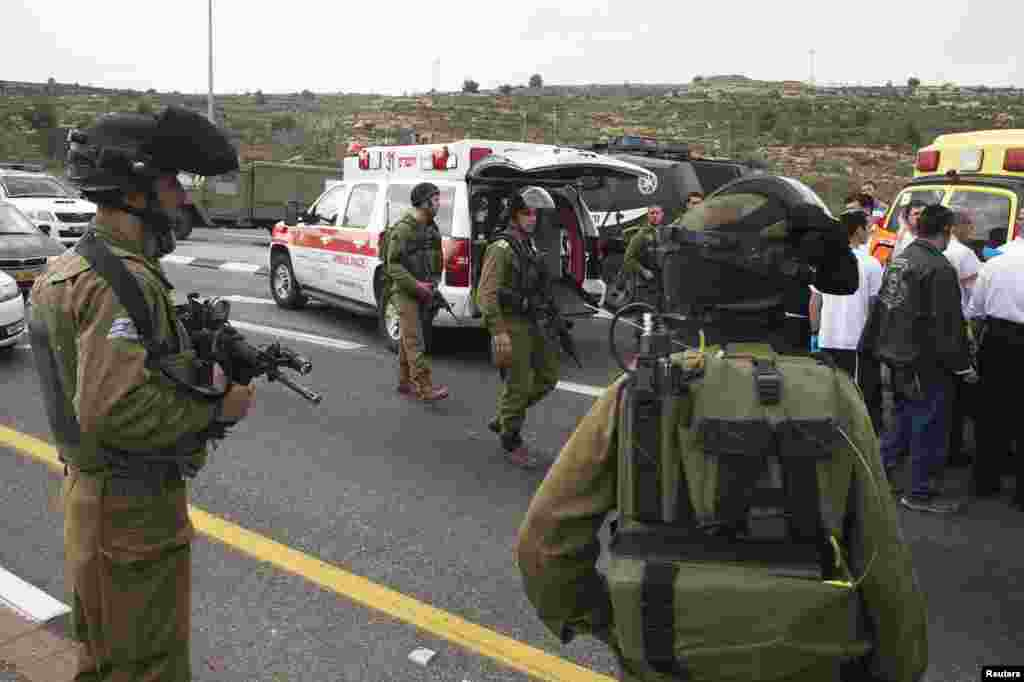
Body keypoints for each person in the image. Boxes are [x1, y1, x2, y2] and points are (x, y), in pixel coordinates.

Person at [515, 182, 928, 682]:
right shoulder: (836, 397)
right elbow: (884, 568)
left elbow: (544, 545)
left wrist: (610, 626)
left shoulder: (636, 394)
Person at [28, 106, 257, 681]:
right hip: (128, 514)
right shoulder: (116, 281)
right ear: (135, 189)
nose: (181, 196)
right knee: (144, 669)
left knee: (108, 662)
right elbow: (116, 411)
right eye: (171, 182)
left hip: (106, 501)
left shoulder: (81, 265)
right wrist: (218, 406)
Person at [860, 204, 978, 514]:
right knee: (929, 425)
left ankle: (876, 477)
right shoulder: (938, 268)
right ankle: (920, 492)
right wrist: (962, 365)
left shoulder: (902, 259)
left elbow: (883, 307)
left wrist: (874, 346)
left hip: (895, 354)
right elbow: (946, 323)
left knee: (902, 420)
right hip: (924, 360)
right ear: (947, 231)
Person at [478, 186, 561, 469]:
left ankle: (504, 417)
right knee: (519, 385)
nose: (532, 218)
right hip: (511, 323)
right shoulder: (501, 247)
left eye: (535, 213)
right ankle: (510, 438)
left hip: (532, 320)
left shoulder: (527, 243)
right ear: (514, 215)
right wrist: (499, 331)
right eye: (526, 213)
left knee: (548, 377)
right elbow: (486, 294)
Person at [810, 208, 884, 434]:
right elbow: (874, 305)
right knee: (859, 392)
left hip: (827, 338)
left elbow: (815, 300)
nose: (871, 230)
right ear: (857, 230)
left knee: (831, 390)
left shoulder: (823, 260)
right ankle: (863, 433)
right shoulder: (871, 263)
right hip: (857, 340)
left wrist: (815, 333)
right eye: (867, 226)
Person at [965, 235, 1024, 511]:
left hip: (997, 339)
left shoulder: (994, 264)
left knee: (991, 413)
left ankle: (985, 481)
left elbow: (975, 309)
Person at [386, 181, 449, 402]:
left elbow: (436, 258)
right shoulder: (404, 228)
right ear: (423, 203)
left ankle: (405, 382)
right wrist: (416, 285)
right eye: (435, 199)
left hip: (425, 291)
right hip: (406, 292)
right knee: (415, 341)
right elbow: (392, 265)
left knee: (408, 338)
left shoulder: (432, 227)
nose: (438, 203)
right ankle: (425, 387)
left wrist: (434, 284)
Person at [944, 210, 983, 467]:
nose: (973, 230)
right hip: (961, 327)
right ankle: (955, 450)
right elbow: (976, 293)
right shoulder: (964, 254)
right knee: (960, 393)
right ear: (960, 226)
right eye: (970, 225)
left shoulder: (944, 251)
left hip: (939, 329)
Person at [619, 205, 667, 306]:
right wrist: (643, 270)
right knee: (646, 314)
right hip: (645, 284)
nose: (655, 215)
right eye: (652, 213)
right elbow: (628, 258)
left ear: (662, 215)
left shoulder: (665, 233)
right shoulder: (640, 235)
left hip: (662, 282)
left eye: (657, 213)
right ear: (648, 216)